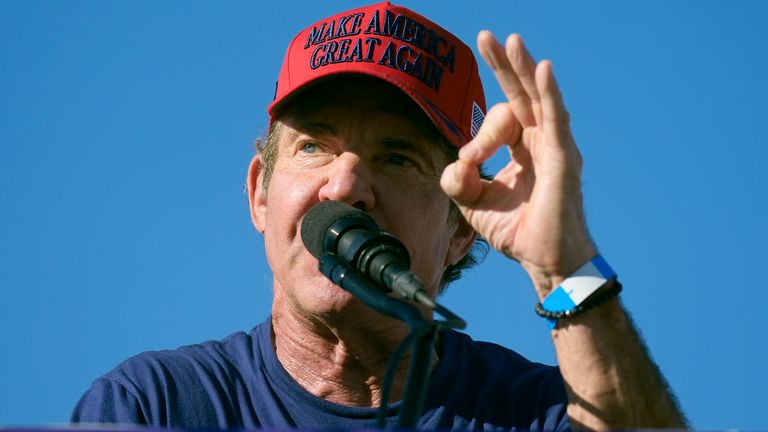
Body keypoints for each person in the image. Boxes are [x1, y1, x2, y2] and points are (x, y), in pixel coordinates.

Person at [71, 2, 688, 430]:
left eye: (396, 157)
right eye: (314, 145)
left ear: (458, 231)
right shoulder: (153, 405)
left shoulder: (537, 413)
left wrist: (564, 264)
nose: (345, 187)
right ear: (260, 193)